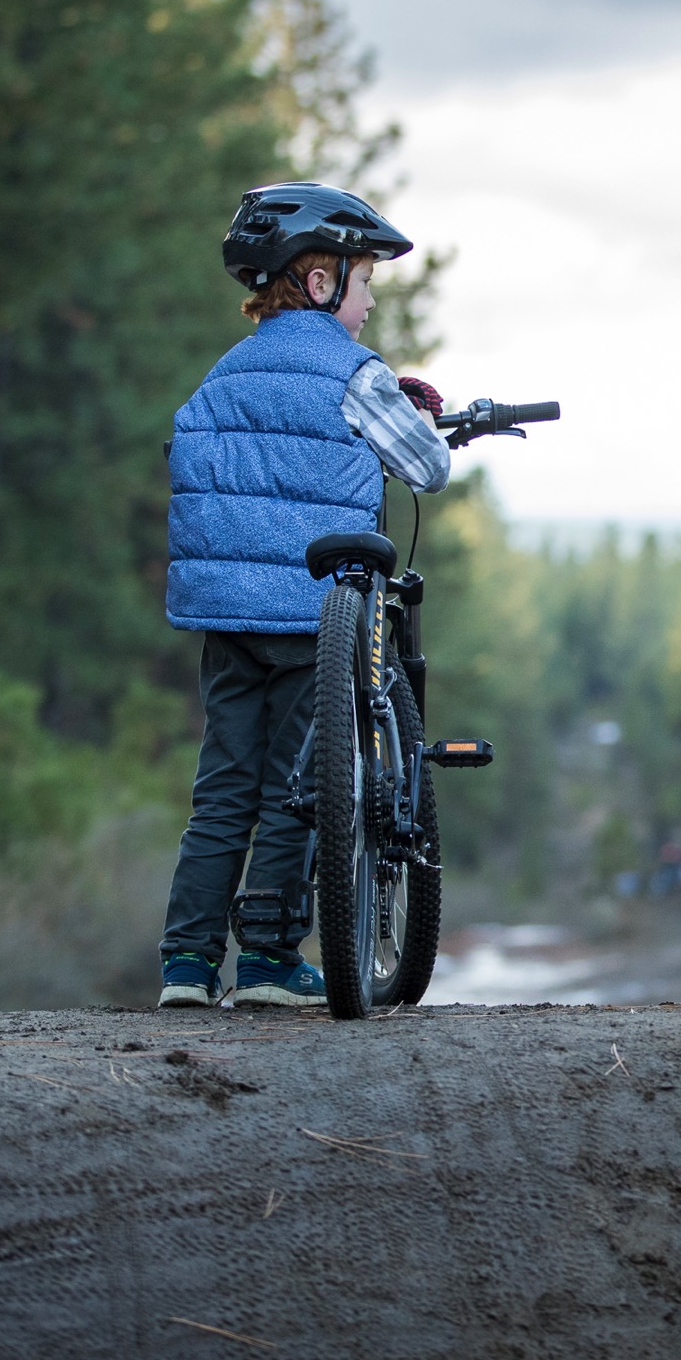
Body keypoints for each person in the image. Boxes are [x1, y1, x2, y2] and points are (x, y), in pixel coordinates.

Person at [155, 182, 456, 1009]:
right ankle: (266, 960)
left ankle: (184, 967)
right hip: (308, 616)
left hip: (226, 616)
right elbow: (428, 467)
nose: (367, 309)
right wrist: (412, 412)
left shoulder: (221, 375)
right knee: (301, 782)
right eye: (364, 286)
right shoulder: (353, 373)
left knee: (223, 788)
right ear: (322, 284)